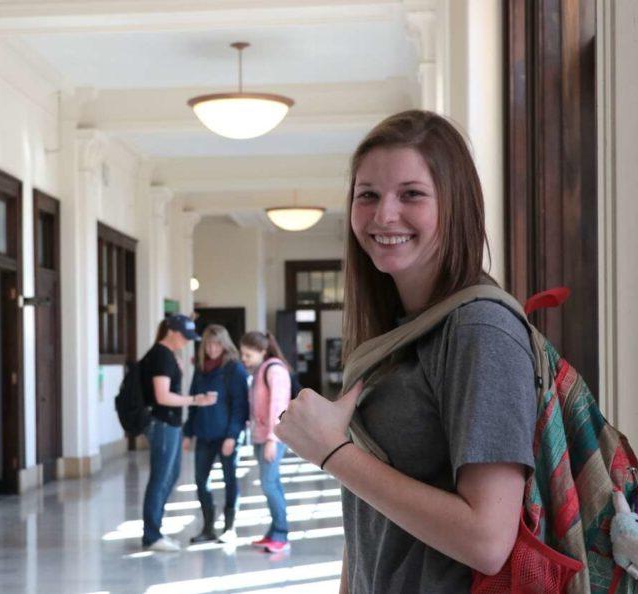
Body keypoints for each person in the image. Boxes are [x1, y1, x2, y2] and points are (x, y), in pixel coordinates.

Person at [275, 110, 539, 593]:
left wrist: (333, 452)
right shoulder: (398, 329)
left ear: (455, 204)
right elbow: (371, 520)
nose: (383, 215)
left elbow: (487, 539)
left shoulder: (480, 330)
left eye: (411, 194)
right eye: (367, 195)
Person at [140, 314, 217, 552]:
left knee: (169, 476)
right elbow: (162, 396)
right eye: (184, 337)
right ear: (171, 332)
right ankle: (152, 535)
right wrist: (196, 400)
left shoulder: (166, 355)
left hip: (168, 423)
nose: (186, 342)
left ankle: (155, 531)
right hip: (163, 424)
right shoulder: (162, 356)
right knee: (161, 478)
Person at [183, 324, 250, 544]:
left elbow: (240, 406)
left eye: (217, 344)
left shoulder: (234, 369)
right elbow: (194, 402)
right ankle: (208, 527)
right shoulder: (201, 368)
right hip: (204, 435)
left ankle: (230, 528)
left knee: (230, 479)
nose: (212, 348)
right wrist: (187, 433)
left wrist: (232, 436)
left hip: (227, 436)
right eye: (208, 344)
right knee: (201, 481)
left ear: (224, 344)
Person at [239, 330, 293, 554]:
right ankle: (274, 532)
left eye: (248, 355)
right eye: (242, 354)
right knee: (272, 484)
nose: (244, 359)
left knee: (270, 484)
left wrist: (272, 438)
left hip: (272, 438)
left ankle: (281, 533)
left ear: (262, 351)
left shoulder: (274, 370)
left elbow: (279, 407)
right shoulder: (260, 368)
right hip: (260, 436)